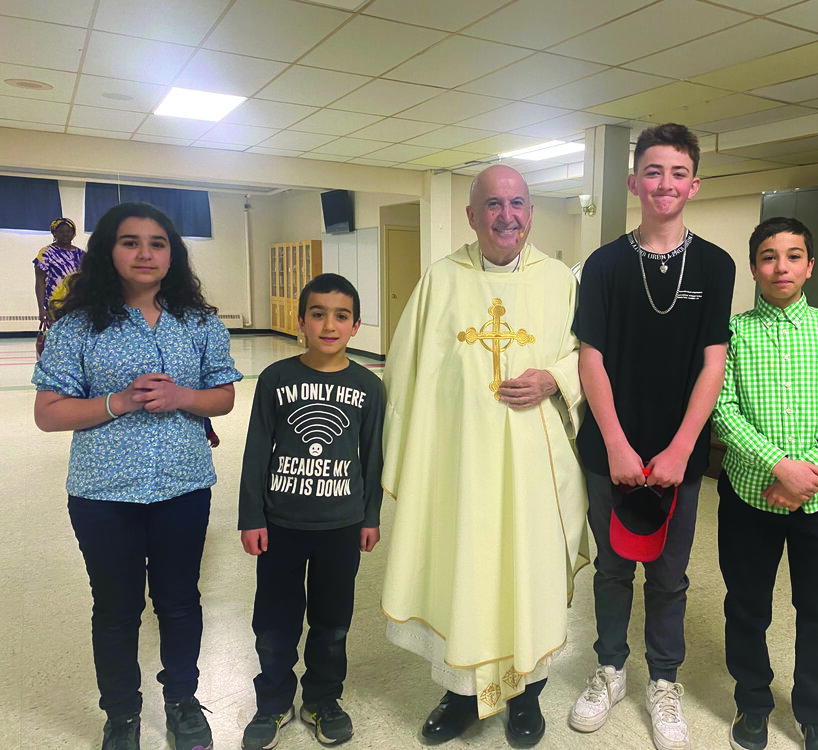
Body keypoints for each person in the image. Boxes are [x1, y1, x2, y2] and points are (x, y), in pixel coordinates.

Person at [381, 164, 589, 748]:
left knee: (530, 572)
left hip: (535, 466)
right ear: (471, 216)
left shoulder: (559, 282)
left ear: (531, 212)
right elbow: (406, 369)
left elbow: (587, 356)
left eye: (518, 204)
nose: (507, 216)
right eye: (493, 205)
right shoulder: (440, 280)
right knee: (466, 573)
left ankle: (526, 698)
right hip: (461, 467)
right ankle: (462, 696)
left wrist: (553, 377)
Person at [32, 202, 241, 750]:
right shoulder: (77, 327)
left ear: (173, 253)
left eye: (158, 243)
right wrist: (118, 401)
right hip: (103, 494)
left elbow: (223, 396)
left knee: (179, 601)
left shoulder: (199, 323)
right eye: (131, 242)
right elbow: (48, 412)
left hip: (183, 486)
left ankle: (182, 701)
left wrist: (183, 396)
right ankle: (121, 713)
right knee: (117, 609)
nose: (145, 253)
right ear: (108, 251)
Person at [569, 123, 736, 750]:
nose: (664, 183)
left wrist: (681, 448)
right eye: (653, 172)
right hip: (608, 447)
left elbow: (712, 364)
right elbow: (592, 359)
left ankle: (663, 681)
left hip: (679, 454)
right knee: (613, 568)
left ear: (693, 183)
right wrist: (614, 442)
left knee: (668, 575)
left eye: (677, 172)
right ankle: (611, 669)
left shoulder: (715, 265)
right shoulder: (605, 264)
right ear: (635, 180)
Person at [712, 217, 818, 750]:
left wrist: (803, 478)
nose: (782, 267)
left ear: (810, 264)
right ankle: (752, 702)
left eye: (794, 255)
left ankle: (816, 713)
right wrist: (779, 465)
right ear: (754, 267)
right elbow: (722, 410)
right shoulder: (732, 333)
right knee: (747, 605)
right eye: (770, 257)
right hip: (750, 494)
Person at [238, 273, 384, 750]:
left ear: (356, 325)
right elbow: (257, 448)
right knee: (275, 619)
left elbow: (373, 455)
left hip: (342, 525)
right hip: (281, 524)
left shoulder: (367, 386)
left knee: (332, 619)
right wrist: (251, 515)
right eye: (318, 314)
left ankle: (322, 698)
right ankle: (274, 699)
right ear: (300, 321)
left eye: (341, 316)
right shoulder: (277, 379)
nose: (328, 325)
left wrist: (371, 516)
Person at [34, 217, 85, 354]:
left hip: (78, 303)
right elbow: (40, 281)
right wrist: (41, 309)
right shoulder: (46, 253)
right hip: (55, 305)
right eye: (61, 231)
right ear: (54, 233)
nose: (65, 234)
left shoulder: (81, 255)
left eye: (68, 231)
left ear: (73, 233)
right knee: (58, 340)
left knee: (78, 340)